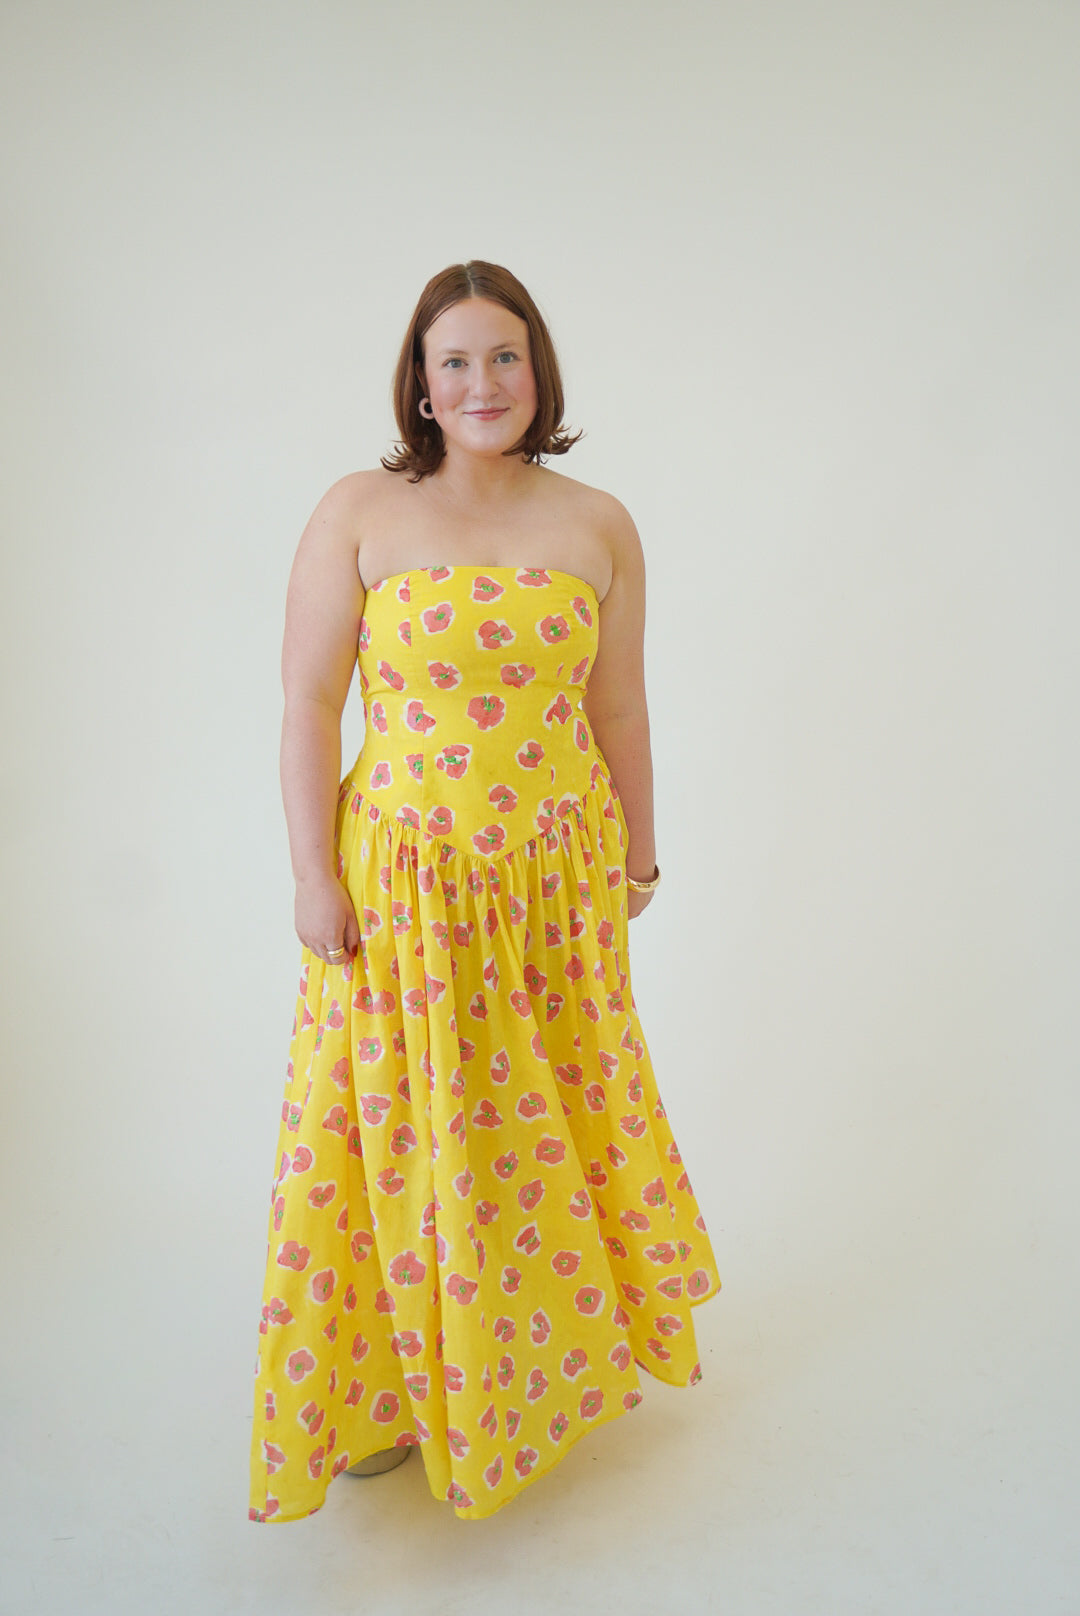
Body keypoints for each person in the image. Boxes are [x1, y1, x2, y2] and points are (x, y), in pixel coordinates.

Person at [249, 261, 719, 1524]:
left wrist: (639, 859)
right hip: (403, 880)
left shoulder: (599, 523)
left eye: (504, 356)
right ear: (419, 383)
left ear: (538, 370)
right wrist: (311, 874)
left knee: (540, 1116)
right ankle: (382, 1390)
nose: (481, 382)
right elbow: (307, 702)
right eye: (452, 360)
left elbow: (620, 708)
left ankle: (519, 1362)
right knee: (399, 1124)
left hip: (554, 882)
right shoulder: (360, 510)